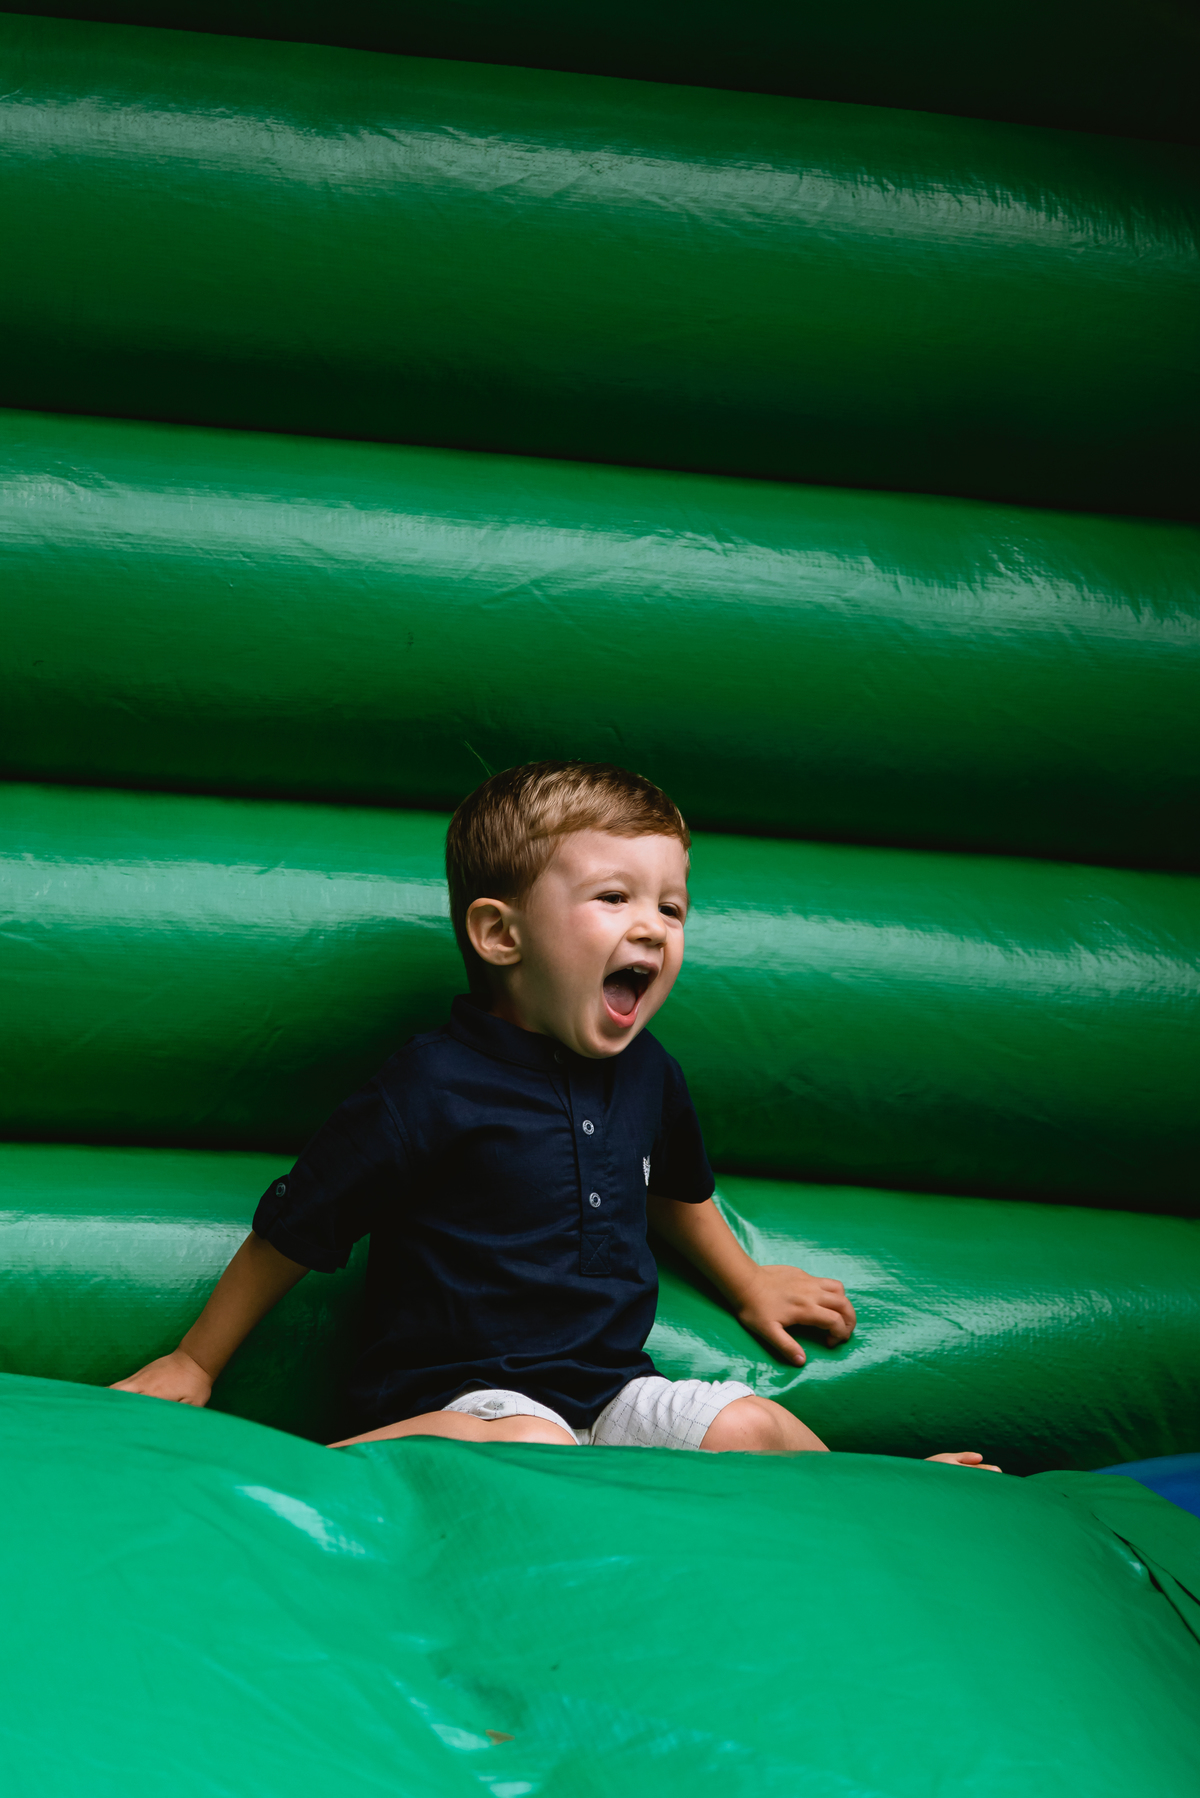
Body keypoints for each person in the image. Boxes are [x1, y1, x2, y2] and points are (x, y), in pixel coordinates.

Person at [114, 761, 997, 1469]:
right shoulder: (428, 1087)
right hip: (458, 1405)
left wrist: (747, 1280)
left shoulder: (649, 1073)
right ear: (501, 935)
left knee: (747, 1424)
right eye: (614, 898)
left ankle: (883, 1495)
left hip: (607, 1396)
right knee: (530, 1444)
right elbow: (297, 1225)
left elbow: (675, 1193)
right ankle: (309, 1468)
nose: (652, 927)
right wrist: (197, 1360)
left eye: (671, 906)